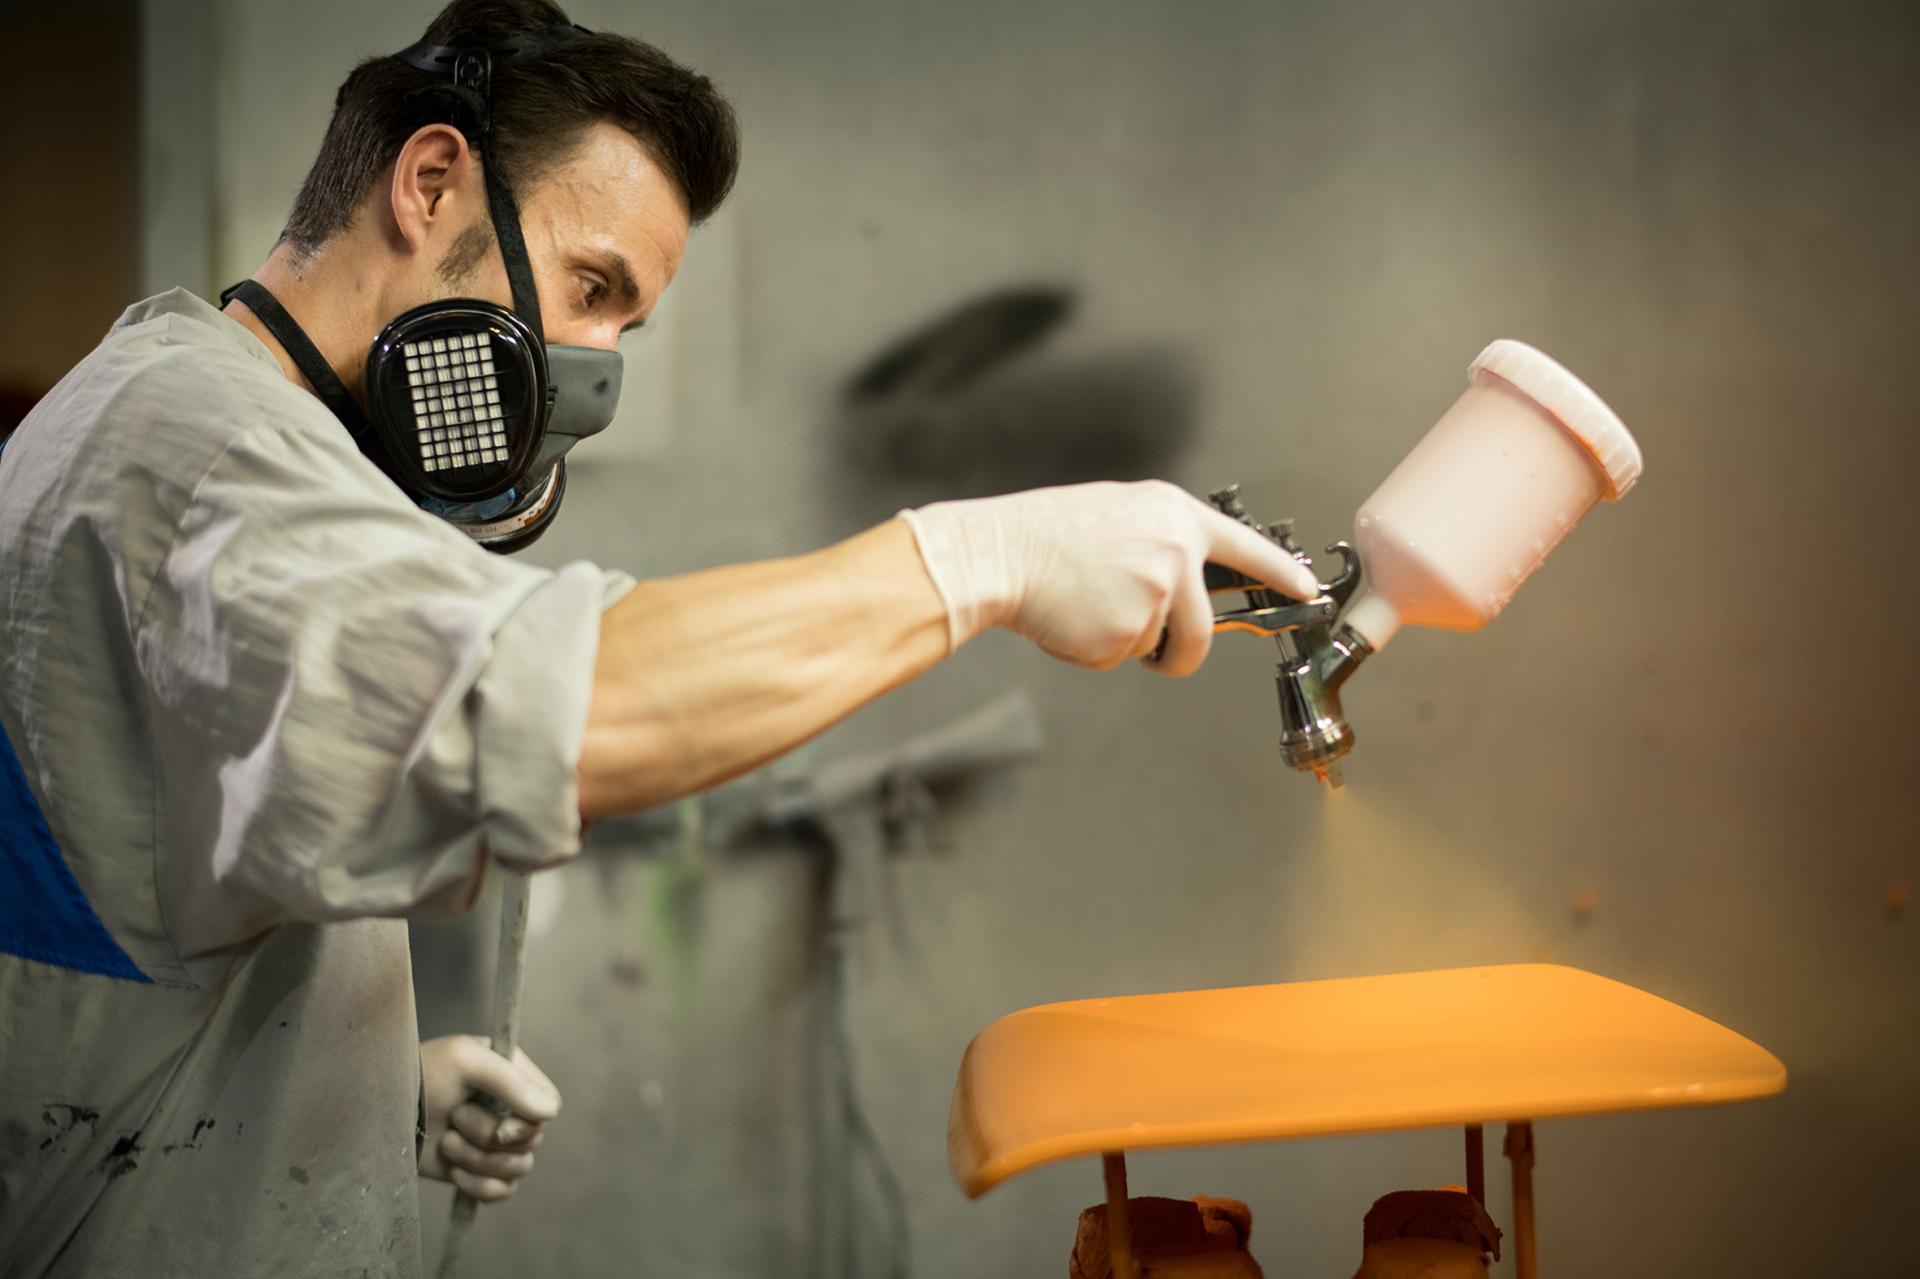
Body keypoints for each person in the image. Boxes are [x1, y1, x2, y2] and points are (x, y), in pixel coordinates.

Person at [0, 1, 1319, 1274]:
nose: (591, 369)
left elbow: (125, 892)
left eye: (623, 327)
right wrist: (994, 561)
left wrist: (350, 1087)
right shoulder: (209, 456)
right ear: (430, 183)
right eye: (590, 287)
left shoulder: (150, 407)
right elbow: (555, 708)